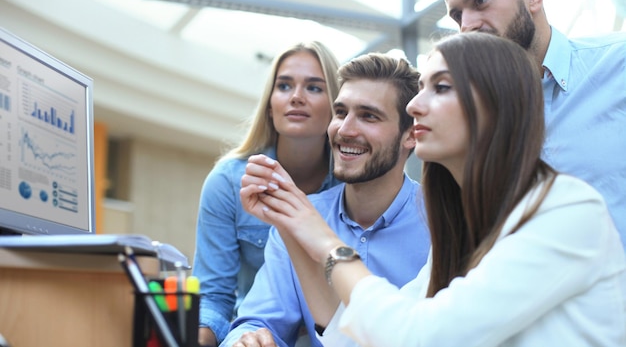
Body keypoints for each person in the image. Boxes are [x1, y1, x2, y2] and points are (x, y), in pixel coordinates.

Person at [240, 32, 626, 346]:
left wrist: (326, 243)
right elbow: (355, 339)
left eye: (440, 88)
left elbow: (417, 337)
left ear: (496, 105)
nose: (415, 106)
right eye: (421, 87)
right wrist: (293, 223)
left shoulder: (569, 212)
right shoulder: (463, 233)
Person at [222, 53, 431, 347]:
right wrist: (248, 339)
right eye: (341, 112)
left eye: (369, 116)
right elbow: (260, 319)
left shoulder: (442, 222)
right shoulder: (299, 217)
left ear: (410, 134)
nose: (344, 130)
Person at [438, 0, 626, 249]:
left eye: (480, 1)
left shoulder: (618, 66)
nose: (467, 25)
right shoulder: (472, 118)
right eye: (457, 16)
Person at [192, 41, 343, 347]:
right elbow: (214, 296)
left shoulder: (351, 185)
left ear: (337, 106)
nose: (297, 97)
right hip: (255, 336)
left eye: (314, 88)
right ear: (270, 104)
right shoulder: (228, 182)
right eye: (284, 86)